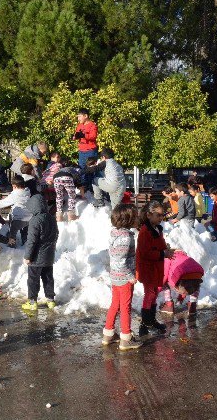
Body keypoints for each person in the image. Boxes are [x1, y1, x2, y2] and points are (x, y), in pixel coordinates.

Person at [103, 204, 142, 350]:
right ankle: (126, 338)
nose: (138, 218)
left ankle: (108, 334)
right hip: (124, 279)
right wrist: (130, 276)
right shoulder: (125, 237)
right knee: (125, 307)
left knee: (116, 304)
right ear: (128, 219)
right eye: (136, 216)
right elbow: (120, 260)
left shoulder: (116, 233)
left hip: (115, 276)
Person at [136, 201, 175, 336]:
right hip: (148, 268)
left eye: (162, 215)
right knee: (150, 294)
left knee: (155, 293)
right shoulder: (145, 231)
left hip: (156, 266)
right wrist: (163, 253)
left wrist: (166, 249)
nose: (160, 218)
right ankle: (145, 324)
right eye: (158, 215)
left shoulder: (158, 229)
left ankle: (151, 321)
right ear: (148, 215)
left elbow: (159, 245)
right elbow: (145, 252)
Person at [22, 194, 59, 311]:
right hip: (49, 256)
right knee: (48, 278)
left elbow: (31, 241)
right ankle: (50, 300)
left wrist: (28, 256)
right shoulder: (51, 218)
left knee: (33, 279)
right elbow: (56, 234)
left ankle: (32, 302)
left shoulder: (35, 220)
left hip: (36, 257)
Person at [164, 251, 204, 316]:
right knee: (195, 283)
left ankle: (168, 304)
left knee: (165, 283)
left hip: (182, 280)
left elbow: (164, 276)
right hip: (197, 274)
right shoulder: (185, 257)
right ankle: (192, 304)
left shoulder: (169, 258)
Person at [0, 176, 32, 246]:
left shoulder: (15, 195)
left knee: (13, 230)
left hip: (19, 219)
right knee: (26, 229)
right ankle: (25, 239)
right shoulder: (27, 191)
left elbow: (4, 202)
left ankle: (12, 243)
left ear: (14, 186)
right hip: (29, 217)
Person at [73, 108, 98, 194]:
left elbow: (93, 136)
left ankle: (91, 189)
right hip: (81, 151)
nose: (78, 118)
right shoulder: (79, 125)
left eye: (79, 116)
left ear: (86, 116)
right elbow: (76, 134)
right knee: (81, 169)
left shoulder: (92, 125)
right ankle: (83, 190)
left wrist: (84, 135)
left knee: (90, 169)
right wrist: (74, 137)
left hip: (90, 150)